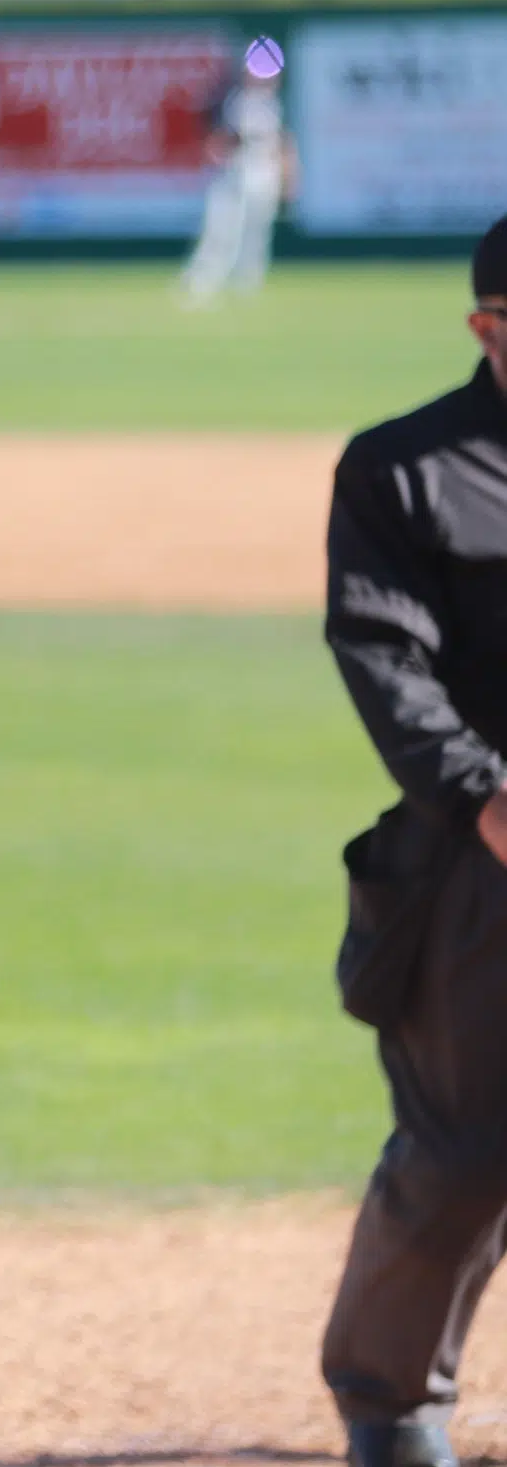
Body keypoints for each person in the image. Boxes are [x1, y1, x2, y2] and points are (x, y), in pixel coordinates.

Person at [320, 213, 507, 1467]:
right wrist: (484, 795)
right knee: (464, 1148)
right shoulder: (404, 470)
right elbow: (382, 656)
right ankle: (389, 1402)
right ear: (487, 329)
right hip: (473, 860)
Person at [180, 49, 295, 307]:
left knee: (256, 233)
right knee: (220, 230)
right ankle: (201, 285)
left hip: (263, 172)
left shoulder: (272, 103)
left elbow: (283, 142)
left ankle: (247, 286)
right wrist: (223, 150)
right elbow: (216, 138)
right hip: (233, 171)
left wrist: (288, 176)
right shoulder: (233, 99)